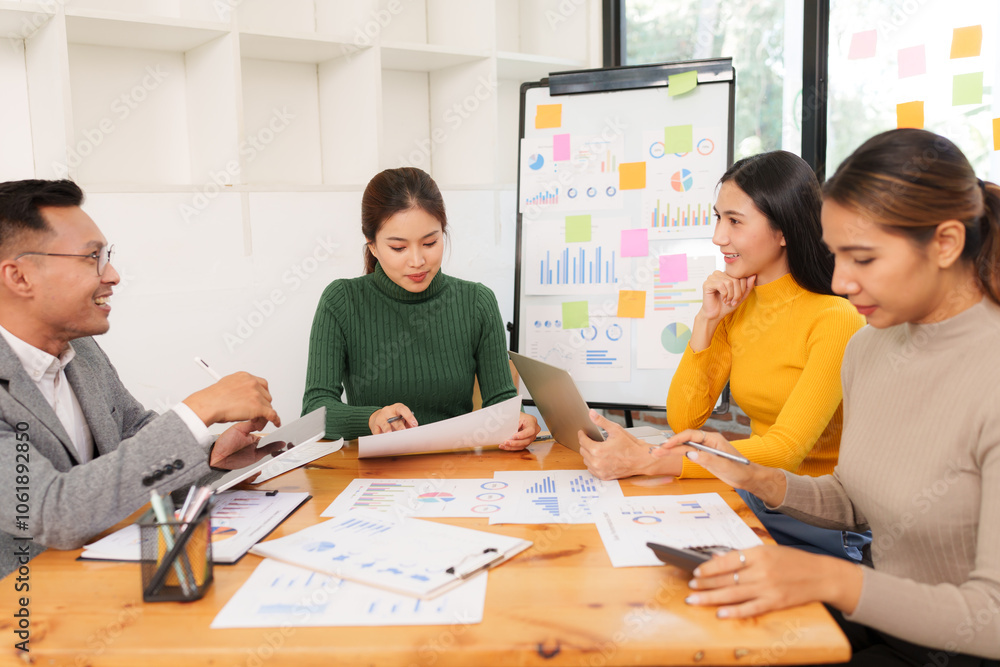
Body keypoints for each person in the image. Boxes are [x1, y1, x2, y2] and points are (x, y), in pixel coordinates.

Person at [654, 129, 1000, 665]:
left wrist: (829, 578)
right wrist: (756, 477)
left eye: (862, 259)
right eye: (836, 255)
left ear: (947, 244)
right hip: (883, 621)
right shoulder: (869, 349)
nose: (839, 281)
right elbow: (854, 499)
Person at [580, 152, 867, 558]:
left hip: (813, 523)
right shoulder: (739, 306)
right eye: (718, 218)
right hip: (755, 499)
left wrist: (649, 459)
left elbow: (786, 451)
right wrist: (707, 321)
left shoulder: (834, 318)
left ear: (783, 229)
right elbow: (684, 418)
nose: (718, 237)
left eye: (734, 221)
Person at [0, 179, 283, 578]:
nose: (112, 275)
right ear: (19, 276)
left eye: (107, 256)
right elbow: (54, 511)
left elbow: (133, 436)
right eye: (91, 258)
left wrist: (212, 457)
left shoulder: (81, 350)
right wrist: (197, 411)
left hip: (107, 581)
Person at [303, 167, 539, 446]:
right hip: (373, 475)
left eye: (430, 242)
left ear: (443, 233)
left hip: (456, 470)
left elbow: (501, 402)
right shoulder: (341, 301)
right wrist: (372, 419)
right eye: (399, 248)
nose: (417, 261)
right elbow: (314, 412)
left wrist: (519, 421)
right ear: (373, 246)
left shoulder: (477, 302)